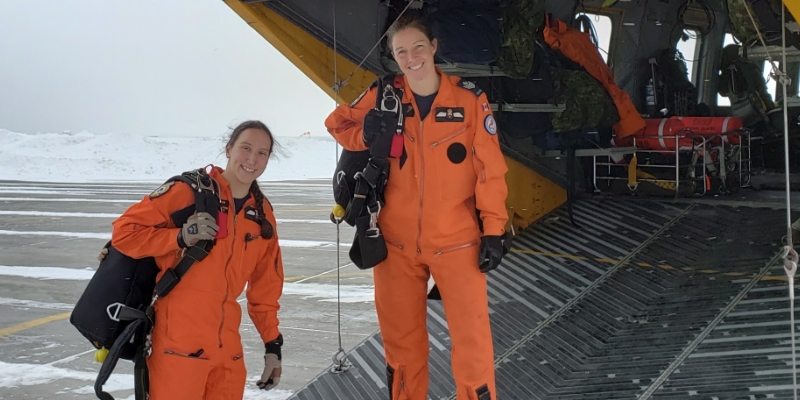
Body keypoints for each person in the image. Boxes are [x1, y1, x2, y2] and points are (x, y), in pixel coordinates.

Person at [325, 17, 509, 400]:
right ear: (394, 58)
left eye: (418, 47)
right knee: (402, 347)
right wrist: (366, 133)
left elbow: (490, 170)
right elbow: (337, 123)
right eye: (402, 51)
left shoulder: (470, 100)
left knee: (473, 346)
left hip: (457, 243)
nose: (412, 58)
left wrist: (493, 229)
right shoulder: (384, 95)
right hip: (395, 244)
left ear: (434, 46)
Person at [110, 120, 285, 399]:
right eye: (246, 148)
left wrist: (272, 344)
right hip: (178, 346)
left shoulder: (262, 214)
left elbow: (266, 287)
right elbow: (124, 232)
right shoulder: (190, 192)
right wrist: (179, 237)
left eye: (262, 153)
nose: (252, 159)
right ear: (228, 149)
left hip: (227, 352)